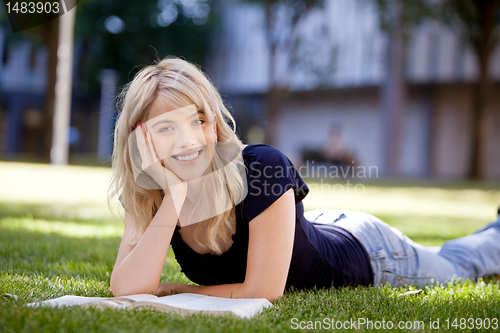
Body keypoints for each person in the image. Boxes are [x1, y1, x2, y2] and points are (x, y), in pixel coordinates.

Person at [108, 57, 500, 302]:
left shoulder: (262, 167)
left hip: (371, 253)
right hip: (307, 228)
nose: (186, 140)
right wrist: (173, 198)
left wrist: (178, 290)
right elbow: (127, 289)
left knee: (459, 263)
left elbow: (262, 292)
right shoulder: (149, 195)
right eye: (164, 129)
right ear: (140, 139)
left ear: (213, 126)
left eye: (196, 120)